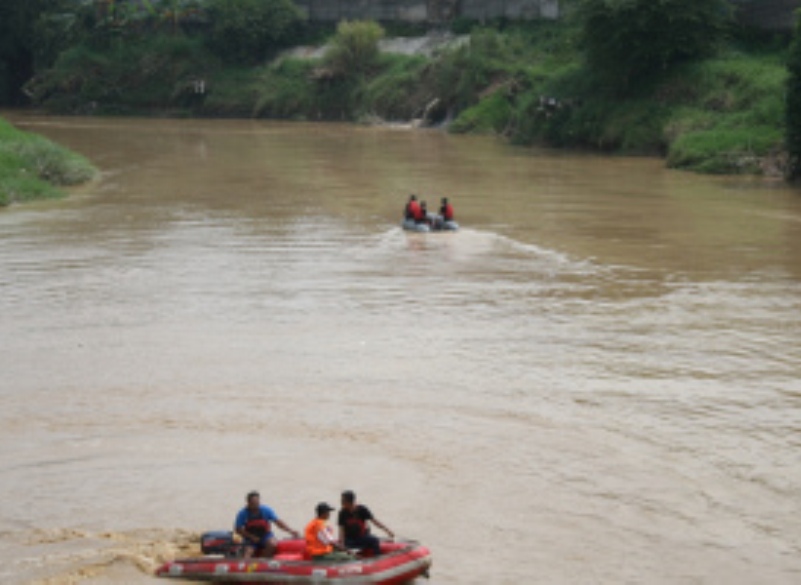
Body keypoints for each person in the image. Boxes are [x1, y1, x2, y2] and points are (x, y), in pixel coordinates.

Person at [234, 491, 300, 559]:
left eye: (257, 502)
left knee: (272, 544)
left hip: (265, 535)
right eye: (253, 503)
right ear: (248, 503)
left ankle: (263, 561)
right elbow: (238, 529)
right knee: (248, 552)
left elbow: (278, 522)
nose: (256, 505)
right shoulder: (242, 513)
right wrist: (251, 537)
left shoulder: (266, 510)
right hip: (250, 538)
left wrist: (291, 531)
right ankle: (245, 565)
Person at [337, 490, 394, 557]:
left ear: (350, 502)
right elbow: (341, 529)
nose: (341, 502)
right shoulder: (342, 513)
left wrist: (388, 531)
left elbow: (375, 522)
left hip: (361, 537)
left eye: (343, 501)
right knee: (340, 546)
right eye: (341, 500)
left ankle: (377, 558)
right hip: (349, 540)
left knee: (374, 540)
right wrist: (342, 544)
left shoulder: (362, 509)